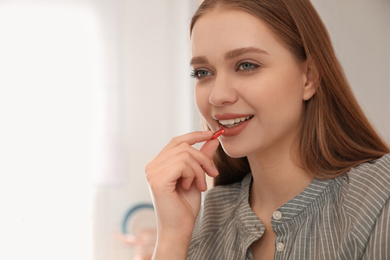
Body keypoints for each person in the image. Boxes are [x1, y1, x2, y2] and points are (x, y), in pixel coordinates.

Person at [145, 0, 390, 259]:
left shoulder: (379, 198)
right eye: (203, 72)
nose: (217, 96)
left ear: (309, 77)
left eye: (247, 65)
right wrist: (172, 239)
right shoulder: (204, 221)